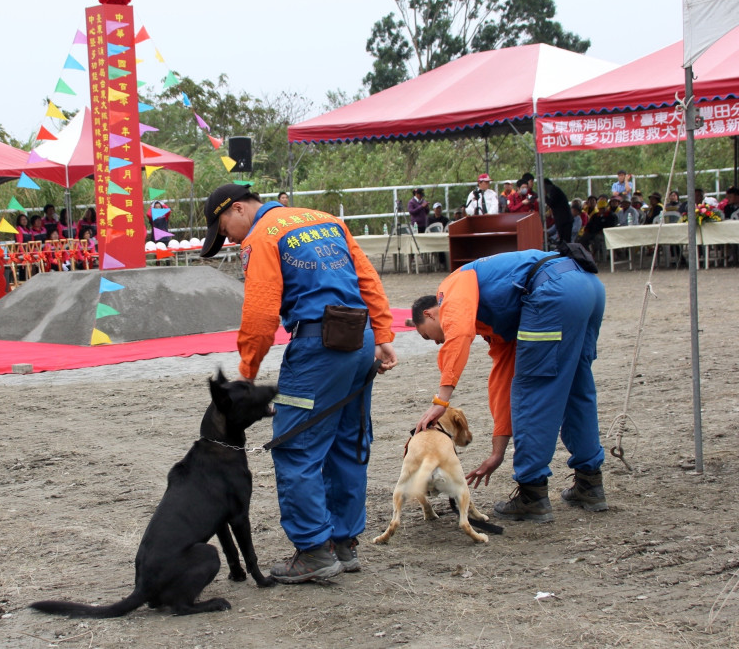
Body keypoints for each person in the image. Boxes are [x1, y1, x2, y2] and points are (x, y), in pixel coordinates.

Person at [199, 183, 398, 583]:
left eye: (224, 229)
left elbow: (259, 313)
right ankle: (343, 543)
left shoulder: (261, 236)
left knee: (295, 447)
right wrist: (384, 335)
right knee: (348, 441)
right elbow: (368, 280)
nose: (228, 239)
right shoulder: (327, 221)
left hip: (318, 349)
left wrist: (248, 372)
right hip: (360, 341)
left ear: (238, 209)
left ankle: (313, 552)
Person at [411, 247, 608, 523]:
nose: (436, 342)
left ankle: (533, 493)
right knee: (576, 386)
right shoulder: (500, 322)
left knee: (533, 392)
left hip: (552, 291)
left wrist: (441, 400)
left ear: (431, 314)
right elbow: (503, 384)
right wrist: (497, 452)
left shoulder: (451, 287)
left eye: (427, 336)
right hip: (587, 287)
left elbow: (459, 332)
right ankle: (590, 484)